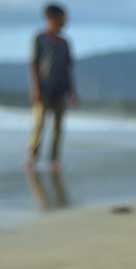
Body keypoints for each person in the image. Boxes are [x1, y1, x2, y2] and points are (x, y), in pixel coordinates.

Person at [26, 4, 77, 173]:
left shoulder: (65, 43)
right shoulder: (39, 38)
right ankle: (32, 159)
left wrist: (71, 92)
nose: (65, 21)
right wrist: (35, 88)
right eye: (62, 18)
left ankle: (54, 160)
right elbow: (33, 64)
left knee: (58, 128)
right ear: (52, 18)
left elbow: (68, 69)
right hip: (44, 89)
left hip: (60, 90)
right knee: (39, 125)